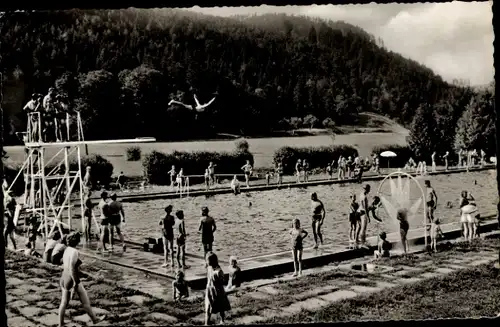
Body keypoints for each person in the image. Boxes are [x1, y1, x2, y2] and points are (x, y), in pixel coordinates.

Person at [58, 232, 105, 327]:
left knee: (63, 303)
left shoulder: (67, 249)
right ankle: (95, 320)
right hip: (71, 279)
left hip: (63, 277)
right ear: (77, 241)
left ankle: (60, 324)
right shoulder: (75, 252)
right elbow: (72, 268)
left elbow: (65, 263)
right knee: (85, 301)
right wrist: (75, 282)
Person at [205, 252, 231, 325]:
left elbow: (223, 281)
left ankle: (222, 320)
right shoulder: (209, 268)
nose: (206, 262)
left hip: (217, 291)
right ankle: (206, 322)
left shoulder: (218, 271)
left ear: (212, 261)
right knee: (208, 306)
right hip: (210, 290)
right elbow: (208, 278)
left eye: (207, 260)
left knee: (221, 306)